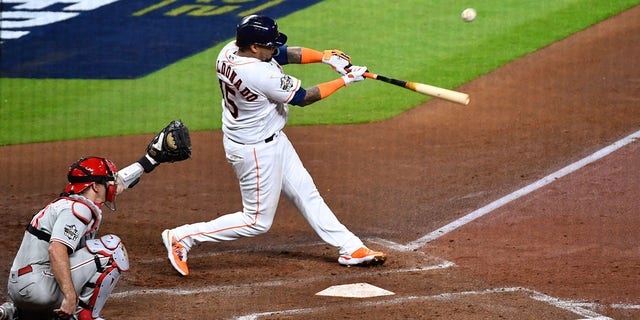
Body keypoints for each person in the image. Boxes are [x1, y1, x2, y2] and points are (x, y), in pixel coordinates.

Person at [161, 15, 387, 277]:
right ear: (255, 47)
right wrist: (345, 80)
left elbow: (281, 54)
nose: (273, 48)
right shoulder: (259, 74)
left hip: (269, 138)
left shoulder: (230, 50)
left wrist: (325, 57)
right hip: (254, 150)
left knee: (307, 193)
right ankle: (183, 236)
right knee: (256, 221)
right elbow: (303, 97)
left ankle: (350, 247)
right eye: (268, 45)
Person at [1, 121, 191, 320]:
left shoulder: (73, 201)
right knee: (111, 248)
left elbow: (121, 181)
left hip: (23, 289)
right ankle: (85, 315)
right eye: (107, 180)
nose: (112, 183)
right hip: (37, 287)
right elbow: (56, 250)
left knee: (79, 251)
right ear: (94, 186)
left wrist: (150, 160)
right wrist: (69, 296)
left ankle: (16, 312)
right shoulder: (77, 209)